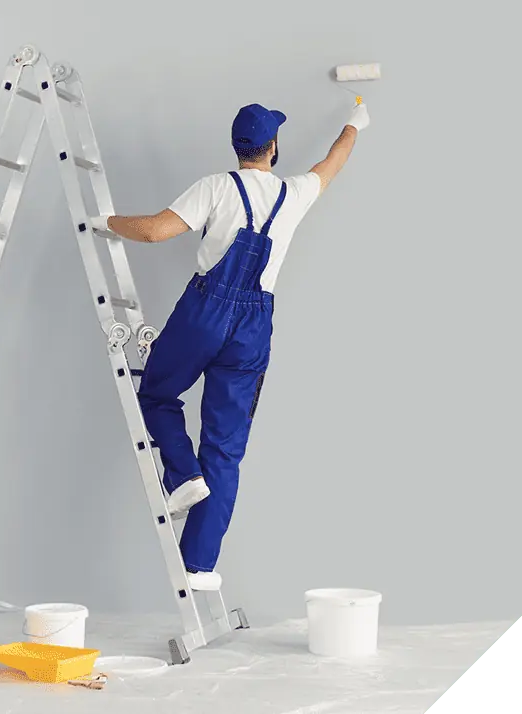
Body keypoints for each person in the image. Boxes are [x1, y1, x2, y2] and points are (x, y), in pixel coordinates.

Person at [92, 101, 370, 591]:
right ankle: (198, 566)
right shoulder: (296, 192)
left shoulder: (216, 187)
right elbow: (335, 159)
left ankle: (181, 476)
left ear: (237, 147)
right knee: (224, 449)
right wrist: (355, 122)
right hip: (254, 325)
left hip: (205, 311)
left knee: (156, 395)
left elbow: (156, 231)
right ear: (274, 147)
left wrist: (106, 222)